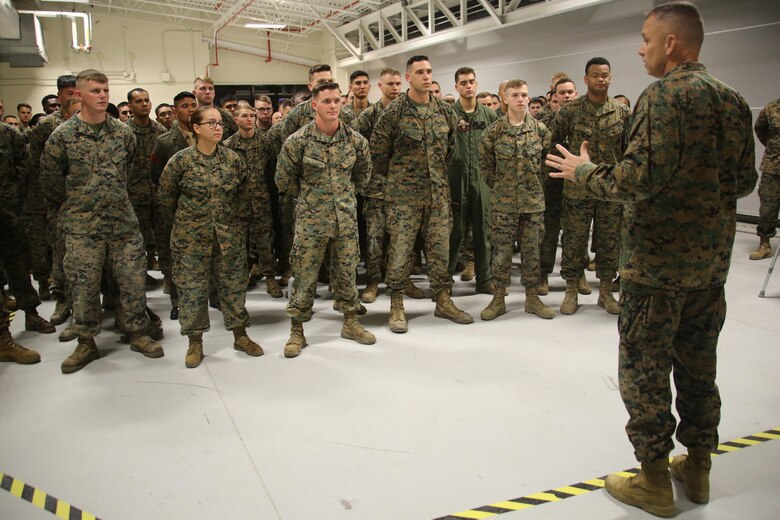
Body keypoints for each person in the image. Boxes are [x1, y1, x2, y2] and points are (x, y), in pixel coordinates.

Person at [546, 2, 757, 516]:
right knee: (699, 368)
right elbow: (746, 182)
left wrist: (584, 171)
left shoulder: (661, 97)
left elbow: (636, 179)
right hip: (709, 267)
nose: (640, 49)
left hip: (657, 267)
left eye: (645, 38)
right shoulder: (732, 100)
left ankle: (654, 479)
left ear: (671, 43)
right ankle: (699, 468)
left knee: (643, 371)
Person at [41, 69, 164, 374]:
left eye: (106, 90)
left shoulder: (123, 133)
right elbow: (51, 183)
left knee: (133, 281)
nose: (103, 96)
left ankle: (137, 332)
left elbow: (131, 174)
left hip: (122, 224)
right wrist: (80, 206)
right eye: (96, 91)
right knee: (83, 285)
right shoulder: (63, 136)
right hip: (82, 227)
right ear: (79, 95)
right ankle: (86, 342)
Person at [371, 55, 473, 333]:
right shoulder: (393, 114)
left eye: (429, 71)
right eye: (420, 72)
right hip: (403, 197)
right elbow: (379, 156)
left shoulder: (443, 110)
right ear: (408, 78)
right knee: (400, 252)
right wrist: (400, 180)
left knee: (440, 250)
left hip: (438, 195)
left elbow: (450, 150)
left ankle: (443, 299)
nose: (427, 76)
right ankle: (396, 304)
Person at [276, 81, 375, 358]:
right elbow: (284, 179)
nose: (333, 106)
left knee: (346, 273)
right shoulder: (298, 141)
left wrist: (343, 196)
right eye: (327, 101)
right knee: (305, 276)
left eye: (336, 101)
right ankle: (297, 330)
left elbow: (363, 176)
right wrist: (310, 199)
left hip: (345, 220)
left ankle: (350, 322)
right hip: (311, 222)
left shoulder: (356, 141)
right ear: (314, 105)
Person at [159, 106, 262, 368]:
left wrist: (235, 230)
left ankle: (240, 334)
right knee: (192, 291)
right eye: (211, 123)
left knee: (233, 288)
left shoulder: (232, 160)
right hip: (191, 240)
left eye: (220, 124)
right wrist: (187, 226)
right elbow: (166, 199)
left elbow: (242, 198)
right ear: (196, 128)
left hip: (228, 238)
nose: (218, 128)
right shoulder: (180, 161)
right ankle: (195, 342)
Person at [551, 57, 629, 316]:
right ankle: (571, 290)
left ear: (611, 77)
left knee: (609, 240)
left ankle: (605, 292)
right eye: (595, 75)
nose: (601, 79)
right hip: (577, 189)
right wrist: (566, 170)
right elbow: (554, 143)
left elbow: (630, 151)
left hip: (609, 190)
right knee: (574, 240)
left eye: (605, 75)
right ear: (586, 79)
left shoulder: (622, 112)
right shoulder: (570, 111)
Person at [479, 79, 554, 320]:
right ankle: (498, 298)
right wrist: (503, 188)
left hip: (532, 203)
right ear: (505, 99)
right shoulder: (493, 132)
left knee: (532, 251)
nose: (521, 99)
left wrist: (533, 188)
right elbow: (486, 168)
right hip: (503, 203)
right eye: (516, 95)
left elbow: (546, 167)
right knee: (500, 252)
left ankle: (532, 298)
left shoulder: (540, 131)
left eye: (524, 95)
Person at [352, 68, 424, 303]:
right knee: (374, 239)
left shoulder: (410, 114)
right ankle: (373, 280)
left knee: (403, 239)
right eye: (389, 84)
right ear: (379, 87)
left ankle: (403, 280)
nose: (395, 88)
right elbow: (354, 148)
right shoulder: (369, 116)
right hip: (375, 189)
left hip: (405, 190)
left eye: (397, 84)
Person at [26, 74, 79, 330]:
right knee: (62, 256)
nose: (75, 97)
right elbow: (36, 165)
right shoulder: (48, 127)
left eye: (77, 91)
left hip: (91, 205)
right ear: (60, 96)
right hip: (59, 204)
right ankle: (63, 301)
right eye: (69, 93)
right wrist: (56, 199)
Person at [0, 119, 56, 337]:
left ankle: (31, 313)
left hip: (8, 211)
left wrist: (12, 194)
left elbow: (24, 163)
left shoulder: (7, 133)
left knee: (18, 265)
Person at [447, 67, 497, 294]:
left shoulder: (489, 116)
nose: (469, 86)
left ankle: (484, 279)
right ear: (456, 86)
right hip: (455, 181)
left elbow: (497, 150)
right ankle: (444, 280)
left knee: (483, 231)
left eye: (472, 82)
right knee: (453, 232)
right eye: (464, 82)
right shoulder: (448, 115)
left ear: (476, 85)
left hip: (481, 182)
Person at [224, 104, 281, 298]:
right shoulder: (228, 146)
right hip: (238, 205)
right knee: (238, 244)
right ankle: (240, 279)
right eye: (244, 116)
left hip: (261, 202)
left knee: (265, 242)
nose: (249, 119)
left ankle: (270, 278)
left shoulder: (265, 143)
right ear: (236, 119)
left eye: (251, 115)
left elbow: (272, 171)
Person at [150, 91, 198, 320]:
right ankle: (178, 302)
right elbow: (156, 175)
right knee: (178, 258)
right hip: (178, 211)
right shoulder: (165, 142)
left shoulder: (207, 134)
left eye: (193, 105)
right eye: (185, 106)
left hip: (205, 209)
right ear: (176, 109)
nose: (190, 109)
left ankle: (213, 297)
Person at [539, 76, 577, 294]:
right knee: (549, 229)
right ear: (554, 95)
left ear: (575, 93)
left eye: (570, 92)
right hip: (552, 180)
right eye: (561, 93)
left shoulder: (583, 115)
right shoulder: (544, 118)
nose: (566, 96)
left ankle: (576, 274)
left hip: (577, 181)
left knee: (575, 230)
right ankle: (543, 274)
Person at [126, 88, 167, 274]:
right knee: (136, 240)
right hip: (134, 194)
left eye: (147, 100)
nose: (144, 104)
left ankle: (167, 274)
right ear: (130, 106)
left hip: (158, 193)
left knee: (164, 237)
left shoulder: (160, 131)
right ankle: (140, 277)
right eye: (139, 101)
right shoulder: (124, 132)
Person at [750, 97, 779, 260]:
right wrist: (773, 147)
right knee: (768, 206)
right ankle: (764, 243)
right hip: (773, 166)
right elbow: (760, 129)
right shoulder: (772, 108)